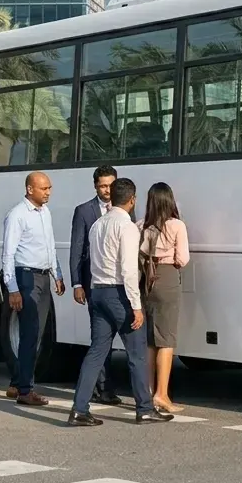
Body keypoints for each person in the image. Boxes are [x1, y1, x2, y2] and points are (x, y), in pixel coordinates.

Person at [67, 177, 173, 426]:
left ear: (111, 197)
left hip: (98, 291)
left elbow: (91, 262)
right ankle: (144, 409)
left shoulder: (97, 224)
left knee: (96, 352)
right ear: (132, 199)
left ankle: (79, 409)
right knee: (136, 353)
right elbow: (128, 269)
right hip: (119, 294)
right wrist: (136, 306)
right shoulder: (126, 227)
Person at [0, 171, 65, 406]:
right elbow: (8, 254)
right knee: (30, 334)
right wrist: (13, 289)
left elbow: (50, 246)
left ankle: (17, 383)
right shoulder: (17, 215)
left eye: (49, 188)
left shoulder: (44, 212)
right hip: (25, 277)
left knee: (36, 334)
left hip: (43, 276)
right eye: (43, 188)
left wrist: (57, 273)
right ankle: (25, 391)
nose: (48, 192)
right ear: (30, 189)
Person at [68, 164, 124, 406]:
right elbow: (77, 250)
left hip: (117, 283)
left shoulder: (123, 210)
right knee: (100, 338)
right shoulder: (84, 211)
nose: (107, 190)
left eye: (111, 185)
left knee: (108, 338)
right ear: (95, 186)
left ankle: (102, 386)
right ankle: (101, 387)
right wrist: (77, 283)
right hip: (93, 283)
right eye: (103, 186)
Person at [139, 182, 190, 414]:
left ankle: (148, 392)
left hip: (146, 279)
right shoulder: (176, 225)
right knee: (166, 339)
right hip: (167, 277)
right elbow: (183, 259)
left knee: (150, 340)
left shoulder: (141, 226)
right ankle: (162, 394)